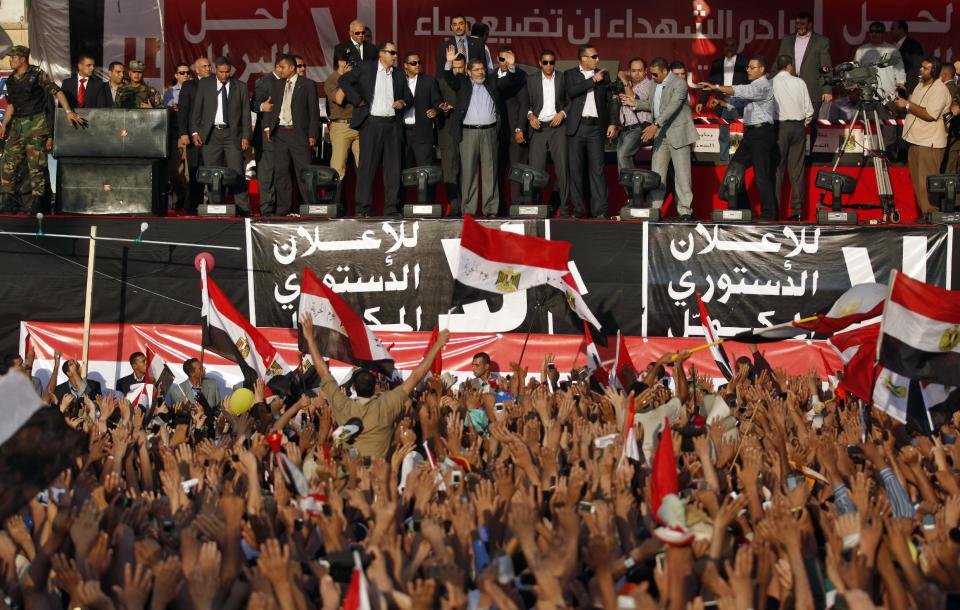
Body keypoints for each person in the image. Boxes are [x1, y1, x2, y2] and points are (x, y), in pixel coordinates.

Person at [302, 316, 448, 459]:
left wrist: (310, 339)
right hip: (381, 475)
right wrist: (437, 345)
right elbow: (415, 377)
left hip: (354, 475)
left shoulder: (343, 405)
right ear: (374, 388)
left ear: (353, 386)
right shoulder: (385, 405)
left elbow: (323, 372)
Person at [0, 46, 84, 214]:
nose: (10, 60)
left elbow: (57, 92)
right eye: (10, 58)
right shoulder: (11, 80)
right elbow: (11, 105)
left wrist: (68, 112)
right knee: (8, 164)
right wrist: (3, 125)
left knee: (35, 167)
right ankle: (9, 200)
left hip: (35, 126)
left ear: (23, 58)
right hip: (16, 127)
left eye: (13, 57)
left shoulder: (37, 74)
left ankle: (38, 203)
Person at [441, 45, 520, 217]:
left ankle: (490, 209)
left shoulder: (492, 81)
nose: (480, 72)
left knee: (490, 173)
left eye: (482, 69)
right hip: (468, 133)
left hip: (490, 133)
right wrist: (448, 62)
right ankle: (468, 210)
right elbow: (448, 78)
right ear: (469, 72)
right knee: (469, 172)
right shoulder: (462, 82)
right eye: (476, 70)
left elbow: (508, 82)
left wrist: (511, 67)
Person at [337, 41, 413, 218]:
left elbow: (408, 97)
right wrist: (358, 100)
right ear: (381, 54)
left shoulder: (399, 74)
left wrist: (403, 102)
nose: (395, 56)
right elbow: (344, 80)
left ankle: (391, 209)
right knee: (367, 168)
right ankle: (362, 209)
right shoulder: (366, 68)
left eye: (396, 53)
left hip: (393, 125)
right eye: (391, 53)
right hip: (371, 124)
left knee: (393, 169)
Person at [620, 57, 697, 221]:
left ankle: (685, 211)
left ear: (664, 71)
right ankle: (654, 209)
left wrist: (655, 125)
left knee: (682, 176)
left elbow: (671, 108)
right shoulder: (655, 83)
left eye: (655, 74)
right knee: (657, 175)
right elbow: (652, 105)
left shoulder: (679, 84)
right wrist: (635, 103)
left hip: (678, 134)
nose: (652, 78)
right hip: (662, 136)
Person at [703, 56, 779, 220]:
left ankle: (769, 215)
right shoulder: (754, 86)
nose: (748, 70)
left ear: (762, 70)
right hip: (751, 134)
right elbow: (741, 103)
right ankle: (745, 209)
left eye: (752, 67)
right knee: (735, 169)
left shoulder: (763, 85)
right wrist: (723, 104)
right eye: (748, 67)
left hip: (762, 134)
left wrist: (715, 87)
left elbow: (740, 91)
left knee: (762, 176)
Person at [190, 56, 252, 216]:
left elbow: (246, 114)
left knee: (237, 171)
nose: (224, 75)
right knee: (213, 174)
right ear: (215, 70)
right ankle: (215, 208)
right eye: (221, 72)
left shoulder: (240, 86)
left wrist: (246, 136)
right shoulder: (205, 84)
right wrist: (195, 131)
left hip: (233, 135)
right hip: (211, 134)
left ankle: (244, 210)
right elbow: (197, 109)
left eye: (227, 72)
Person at [564, 45, 619, 219]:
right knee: (576, 170)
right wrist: (592, 81)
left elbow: (611, 100)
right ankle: (579, 210)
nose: (597, 59)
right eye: (593, 56)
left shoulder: (605, 75)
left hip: (596, 127)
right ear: (583, 59)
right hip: (577, 127)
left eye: (597, 56)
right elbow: (571, 92)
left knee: (597, 170)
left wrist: (613, 123)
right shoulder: (570, 74)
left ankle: (600, 211)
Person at [261, 54, 320, 217]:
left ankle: (310, 207)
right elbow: (271, 106)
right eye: (278, 67)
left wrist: (312, 134)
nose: (279, 70)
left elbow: (314, 112)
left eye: (282, 67)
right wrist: (268, 127)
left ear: (292, 68)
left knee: (304, 172)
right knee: (281, 173)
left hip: (299, 134)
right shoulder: (277, 85)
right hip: (280, 133)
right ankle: (283, 210)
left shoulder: (308, 84)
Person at [896, 57, 952, 218]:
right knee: (918, 183)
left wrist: (907, 104)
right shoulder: (920, 85)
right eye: (921, 67)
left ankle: (932, 216)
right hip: (915, 140)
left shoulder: (939, 90)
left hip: (929, 143)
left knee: (927, 183)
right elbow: (915, 106)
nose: (921, 70)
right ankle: (925, 215)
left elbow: (929, 115)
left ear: (934, 71)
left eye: (925, 68)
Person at [518, 49, 569, 214]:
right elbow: (526, 104)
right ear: (540, 63)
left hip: (558, 128)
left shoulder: (562, 78)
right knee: (535, 169)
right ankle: (535, 206)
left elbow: (571, 101)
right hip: (538, 128)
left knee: (562, 168)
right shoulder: (531, 80)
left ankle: (564, 206)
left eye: (551, 62)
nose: (549, 65)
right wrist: (530, 116)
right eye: (545, 62)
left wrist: (562, 113)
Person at [777, 12, 832, 149]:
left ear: (810, 24)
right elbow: (778, 63)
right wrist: (771, 82)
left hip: (812, 89)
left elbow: (825, 66)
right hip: (789, 89)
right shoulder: (787, 40)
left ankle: (809, 153)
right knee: (789, 122)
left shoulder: (821, 41)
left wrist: (827, 89)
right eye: (797, 24)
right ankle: (790, 152)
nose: (799, 26)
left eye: (802, 24)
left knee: (811, 123)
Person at [772, 54, 814, 221]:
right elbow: (809, 111)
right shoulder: (800, 82)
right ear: (790, 66)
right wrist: (801, 124)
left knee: (777, 170)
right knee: (797, 171)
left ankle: (775, 211)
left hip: (779, 127)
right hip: (798, 127)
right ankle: (797, 211)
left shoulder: (771, 83)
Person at [855, 22, 905, 158]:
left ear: (883, 34)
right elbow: (856, 70)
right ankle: (868, 155)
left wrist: (901, 81)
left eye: (877, 31)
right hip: (868, 96)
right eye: (871, 31)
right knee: (868, 127)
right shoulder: (861, 50)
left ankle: (891, 157)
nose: (874, 34)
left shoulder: (892, 49)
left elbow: (899, 68)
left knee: (890, 128)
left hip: (887, 95)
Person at [697, 39, 748, 161]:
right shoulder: (717, 64)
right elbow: (710, 84)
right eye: (727, 45)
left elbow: (750, 85)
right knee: (724, 134)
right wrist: (701, 102)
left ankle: (736, 161)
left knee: (737, 134)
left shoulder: (745, 62)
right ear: (723, 47)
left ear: (737, 47)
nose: (729, 48)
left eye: (732, 45)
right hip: (721, 102)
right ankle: (724, 161)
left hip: (738, 104)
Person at [178, 56, 212, 214]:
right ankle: (194, 208)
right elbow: (183, 111)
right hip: (194, 135)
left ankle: (214, 206)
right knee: (195, 172)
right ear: (197, 70)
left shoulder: (216, 84)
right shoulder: (189, 85)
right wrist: (183, 132)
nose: (208, 69)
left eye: (209, 66)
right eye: (204, 66)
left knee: (213, 171)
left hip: (213, 136)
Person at [323, 60, 360, 207]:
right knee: (338, 168)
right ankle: (335, 205)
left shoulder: (358, 76)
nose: (351, 63)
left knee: (363, 167)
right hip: (341, 125)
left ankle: (362, 208)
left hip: (360, 125)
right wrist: (345, 79)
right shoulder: (332, 80)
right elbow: (339, 99)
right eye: (348, 60)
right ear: (340, 62)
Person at [495, 46, 528, 206]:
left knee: (516, 170)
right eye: (502, 59)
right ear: (497, 60)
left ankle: (517, 205)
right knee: (497, 171)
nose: (505, 62)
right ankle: (498, 206)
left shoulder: (520, 75)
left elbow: (524, 104)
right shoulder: (490, 76)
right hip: (496, 132)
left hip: (515, 129)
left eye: (508, 59)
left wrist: (519, 128)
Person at [400, 51, 442, 169]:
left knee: (425, 172)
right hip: (403, 133)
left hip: (423, 132)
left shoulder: (429, 81)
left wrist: (435, 110)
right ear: (405, 65)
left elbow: (438, 102)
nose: (417, 65)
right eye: (413, 63)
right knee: (401, 172)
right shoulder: (398, 80)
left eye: (419, 62)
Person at [437, 54, 466, 216]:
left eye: (460, 67)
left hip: (466, 131)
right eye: (454, 67)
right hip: (447, 131)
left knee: (466, 171)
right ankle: (454, 206)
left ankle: (465, 206)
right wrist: (442, 107)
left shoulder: (468, 82)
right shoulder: (441, 82)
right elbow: (435, 102)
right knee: (450, 171)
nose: (457, 71)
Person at [252, 60, 283, 214]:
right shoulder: (265, 82)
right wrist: (261, 107)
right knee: (267, 173)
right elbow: (254, 104)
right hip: (266, 136)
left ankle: (281, 208)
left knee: (281, 173)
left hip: (285, 135)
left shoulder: (291, 82)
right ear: (278, 67)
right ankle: (266, 209)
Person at [615, 57, 653, 171]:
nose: (636, 74)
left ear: (645, 71)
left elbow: (633, 100)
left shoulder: (649, 84)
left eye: (640, 70)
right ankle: (633, 188)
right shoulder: (628, 84)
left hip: (639, 128)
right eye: (633, 70)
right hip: (624, 130)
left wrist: (624, 80)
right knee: (622, 165)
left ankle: (635, 188)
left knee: (623, 155)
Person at [164, 63, 193, 210]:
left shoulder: (195, 89)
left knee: (189, 171)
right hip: (174, 133)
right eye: (182, 73)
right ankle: (181, 196)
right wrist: (171, 109)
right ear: (176, 75)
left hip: (189, 134)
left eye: (188, 72)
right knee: (174, 171)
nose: (185, 75)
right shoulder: (169, 93)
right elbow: (163, 113)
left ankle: (188, 201)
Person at [891, 20, 924, 94]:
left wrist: (911, 91)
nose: (890, 31)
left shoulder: (913, 45)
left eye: (893, 28)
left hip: (907, 88)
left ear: (901, 29)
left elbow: (916, 69)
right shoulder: (893, 46)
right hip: (896, 88)